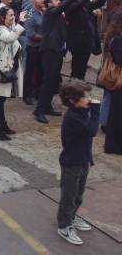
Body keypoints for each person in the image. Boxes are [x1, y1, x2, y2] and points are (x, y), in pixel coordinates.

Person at [34, 0, 86, 124]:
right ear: (49, 4)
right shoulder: (50, 11)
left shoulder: (58, 14)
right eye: (55, 0)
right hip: (49, 51)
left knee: (53, 81)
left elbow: (77, 4)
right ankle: (39, 110)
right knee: (47, 80)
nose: (59, 1)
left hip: (58, 51)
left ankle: (47, 106)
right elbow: (63, 6)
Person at [56, 79, 99, 246]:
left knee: (78, 194)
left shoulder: (81, 112)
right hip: (71, 163)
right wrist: (96, 110)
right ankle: (64, 225)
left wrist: (88, 159)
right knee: (69, 195)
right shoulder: (73, 117)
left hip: (82, 160)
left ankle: (72, 216)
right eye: (85, 96)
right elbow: (91, 131)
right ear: (73, 101)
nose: (89, 99)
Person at [0, 7, 26, 140]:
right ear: (2, 17)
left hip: (6, 68)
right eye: (10, 15)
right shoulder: (0, 30)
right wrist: (21, 23)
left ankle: (1, 125)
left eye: (14, 15)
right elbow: (10, 39)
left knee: (0, 99)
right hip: (1, 69)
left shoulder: (7, 29)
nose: (13, 17)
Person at [66, 0, 110, 80]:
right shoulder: (70, 6)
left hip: (86, 43)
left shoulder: (85, 5)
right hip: (77, 43)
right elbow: (80, 3)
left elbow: (98, 3)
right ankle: (73, 88)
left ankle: (79, 85)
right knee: (77, 68)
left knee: (82, 68)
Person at [103, 8, 122, 154]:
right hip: (117, 82)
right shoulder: (117, 39)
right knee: (116, 114)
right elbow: (119, 59)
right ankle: (112, 145)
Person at [22, 0, 44, 105]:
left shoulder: (43, 11)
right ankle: (27, 95)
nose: (42, 0)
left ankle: (38, 92)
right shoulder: (30, 13)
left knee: (40, 71)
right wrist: (45, 38)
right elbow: (30, 33)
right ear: (34, 1)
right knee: (30, 71)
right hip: (32, 47)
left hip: (42, 47)